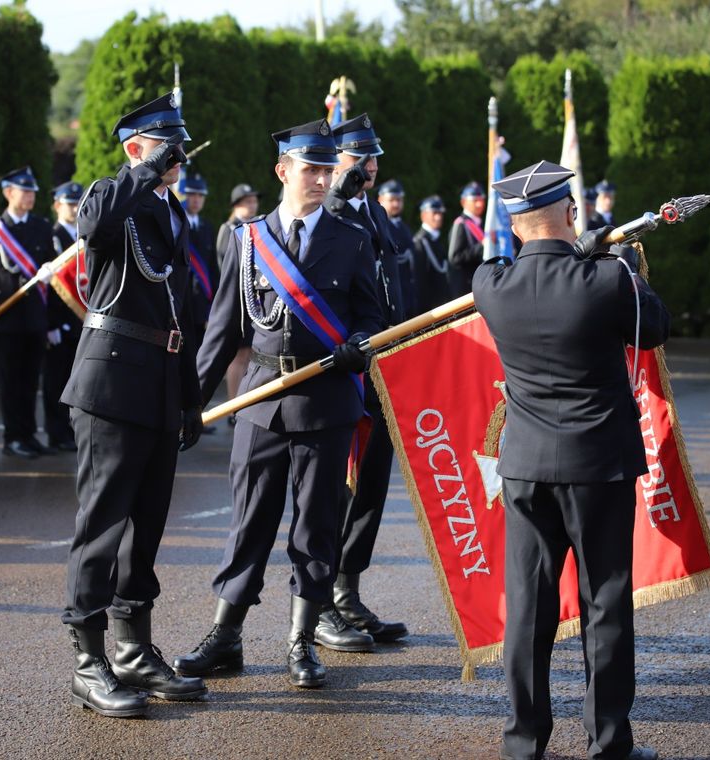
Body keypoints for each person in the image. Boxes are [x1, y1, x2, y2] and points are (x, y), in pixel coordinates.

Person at [175, 118, 385, 689]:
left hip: (326, 399)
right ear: (283, 171)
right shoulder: (248, 241)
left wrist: (358, 346)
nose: (319, 178)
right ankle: (226, 635)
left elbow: (373, 317)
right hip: (261, 401)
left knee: (315, 527)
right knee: (249, 522)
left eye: (326, 169)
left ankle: (301, 640)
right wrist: (190, 403)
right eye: (309, 168)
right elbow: (222, 330)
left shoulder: (353, 239)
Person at [472, 160, 669, 760]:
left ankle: (524, 741)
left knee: (528, 609)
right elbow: (653, 329)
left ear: (514, 227)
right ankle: (608, 742)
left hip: (527, 465)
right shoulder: (609, 281)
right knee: (603, 604)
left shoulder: (491, 284)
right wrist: (628, 267)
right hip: (599, 464)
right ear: (570, 214)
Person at [59, 92, 208, 718]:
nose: (177, 154)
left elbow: (181, 311)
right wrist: (142, 170)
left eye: (180, 142)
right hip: (111, 386)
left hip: (159, 384)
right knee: (102, 526)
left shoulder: (171, 213)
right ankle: (89, 661)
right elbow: (89, 229)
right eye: (163, 143)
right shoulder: (110, 196)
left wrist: (191, 398)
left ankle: (133, 647)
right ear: (133, 148)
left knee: (145, 527)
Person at [316, 112, 408, 650]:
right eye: (358, 157)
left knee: (371, 487)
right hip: (347, 373)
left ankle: (348, 591)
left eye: (373, 158)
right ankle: (321, 600)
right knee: (337, 489)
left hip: (384, 370)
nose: (368, 168)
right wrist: (338, 198)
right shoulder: (326, 216)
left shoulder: (377, 217)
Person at [0, 166, 57, 459]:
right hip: (8, 319)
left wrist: (52, 320)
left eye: (33, 191)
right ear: (9, 193)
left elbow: (53, 272)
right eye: (26, 190)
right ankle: (13, 437)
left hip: (35, 318)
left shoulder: (42, 227)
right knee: (11, 381)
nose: (31, 196)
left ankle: (29, 434)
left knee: (31, 380)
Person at [215, 183, 261, 422]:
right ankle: (234, 408)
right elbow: (227, 270)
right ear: (235, 205)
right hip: (238, 302)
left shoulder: (252, 228)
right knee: (238, 355)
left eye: (253, 201)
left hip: (253, 302)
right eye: (247, 201)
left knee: (251, 354)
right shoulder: (229, 229)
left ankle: (245, 402)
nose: (252, 205)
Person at [45, 180, 84, 452]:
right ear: (57, 205)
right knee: (56, 381)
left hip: (81, 319)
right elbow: (47, 287)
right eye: (69, 204)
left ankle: (71, 431)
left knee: (77, 381)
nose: (74, 209)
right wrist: (51, 323)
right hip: (59, 320)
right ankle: (56, 432)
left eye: (77, 204)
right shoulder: (53, 236)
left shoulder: (84, 236)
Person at [181, 173, 217, 354]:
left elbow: (211, 268)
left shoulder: (207, 227)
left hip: (202, 304)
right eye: (191, 194)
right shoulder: (176, 224)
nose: (196, 199)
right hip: (180, 302)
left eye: (200, 195)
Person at [377, 179, 419, 319]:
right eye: (392, 200)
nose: (396, 204)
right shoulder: (379, 227)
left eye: (399, 200)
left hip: (407, 296)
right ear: (380, 199)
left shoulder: (404, 228)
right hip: (389, 297)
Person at [446, 181, 486, 299]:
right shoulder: (461, 224)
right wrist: (481, 246)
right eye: (475, 200)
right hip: (466, 286)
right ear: (463, 202)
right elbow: (454, 257)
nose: (479, 204)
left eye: (481, 200)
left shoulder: (481, 223)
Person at [412, 194, 450, 312]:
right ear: (423, 215)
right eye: (434, 213)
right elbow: (419, 282)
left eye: (440, 213)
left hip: (441, 305)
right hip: (429, 310)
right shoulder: (420, 242)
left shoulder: (436, 240)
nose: (438, 217)